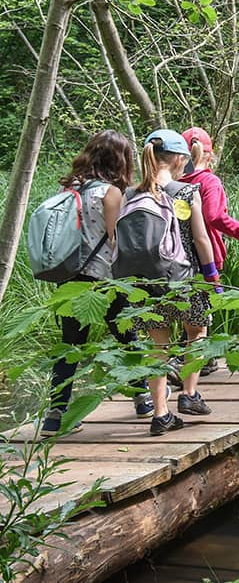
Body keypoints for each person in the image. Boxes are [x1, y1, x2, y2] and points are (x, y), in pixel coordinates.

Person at [40, 130, 160, 436]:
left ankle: (55, 416)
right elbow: (115, 238)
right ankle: (144, 399)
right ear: (120, 159)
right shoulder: (110, 193)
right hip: (104, 280)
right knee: (127, 336)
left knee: (70, 345)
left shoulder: (69, 188)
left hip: (70, 280)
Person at [121, 129, 218, 436]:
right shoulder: (187, 192)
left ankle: (161, 414)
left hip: (143, 281)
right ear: (178, 159)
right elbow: (201, 238)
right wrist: (212, 275)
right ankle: (189, 394)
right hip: (183, 277)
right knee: (197, 331)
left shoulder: (130, 194)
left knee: (157, 343)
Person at [170, 126, 239, 378]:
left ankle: (204, 360)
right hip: (204, 254)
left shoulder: (172, 181)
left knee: (187, 306)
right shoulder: (208, 181)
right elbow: (214, 216)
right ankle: (186, 362)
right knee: (201, 309)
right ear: (208, 155)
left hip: (175, 255)